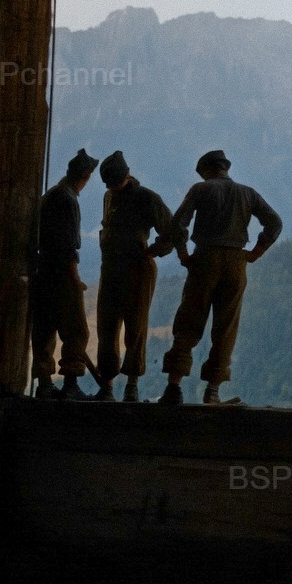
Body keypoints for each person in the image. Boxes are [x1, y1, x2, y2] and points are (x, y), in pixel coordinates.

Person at [159, 150, 281, 405]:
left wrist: (183, 254)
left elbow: (178, 223)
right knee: (226, 327)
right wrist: (256, 252)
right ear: (225, 168)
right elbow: (274, 222)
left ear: (207, 170)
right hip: (236, 262)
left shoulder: (200, 190)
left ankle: (173, 387)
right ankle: (213, 392)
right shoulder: (248, 193)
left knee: (190, 320)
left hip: (205, 259)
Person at [94, 151, 187, 402]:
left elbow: (173, 230)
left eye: (114, 181)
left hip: (137, 270)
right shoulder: (108, 196)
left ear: (126, 175)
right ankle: (107, 385)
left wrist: (155, 250)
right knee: (106, 327)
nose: (111, 187)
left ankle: (132, 385)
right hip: (110, 269)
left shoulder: (147, 198)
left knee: (135, 327)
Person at [31, 148, 99, 400]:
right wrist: (75, 279)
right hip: (61, 274)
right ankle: (70, 385)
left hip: (42, 272)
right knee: (76, 331)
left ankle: (45, 384)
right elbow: (69, 246)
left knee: (44, 330)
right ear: (86, 175)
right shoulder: (68, 199)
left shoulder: (50, 195)